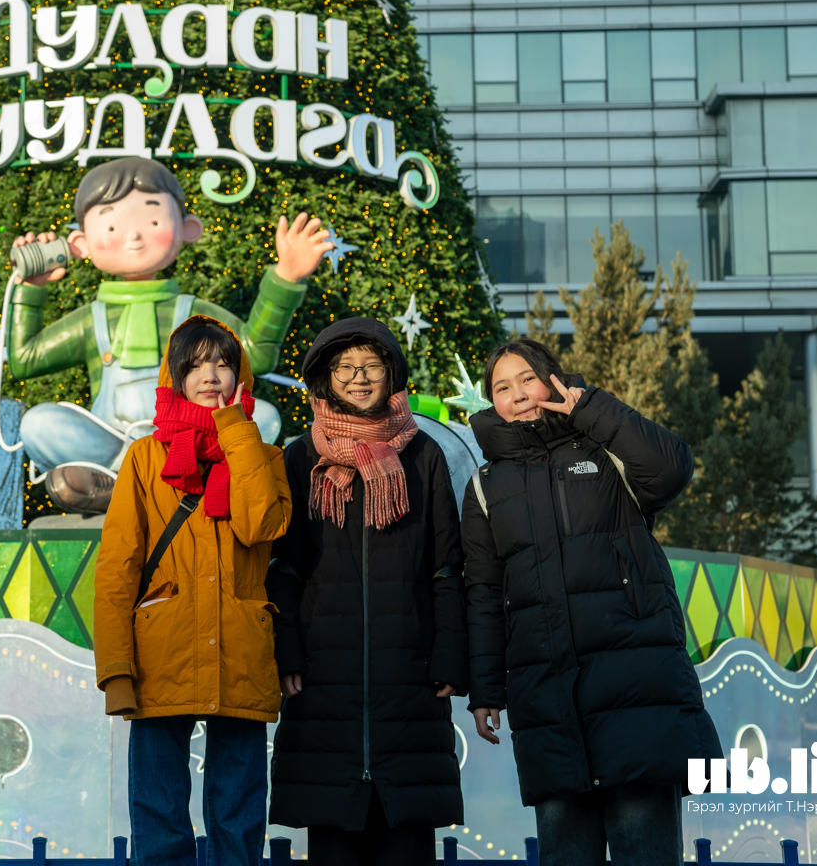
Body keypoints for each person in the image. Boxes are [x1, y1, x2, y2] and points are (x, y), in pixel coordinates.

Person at [462, 337, 722, 866]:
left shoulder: (605, 450)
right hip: (547, 696)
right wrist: (485, 687)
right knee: (566, 851)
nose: (518, 395)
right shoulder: (485, 486)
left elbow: (671, 470)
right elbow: (485, 591)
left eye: (528, 379)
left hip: (637, 686)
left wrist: (591, 409)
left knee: (644, 851)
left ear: (554, 380)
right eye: (502, 388)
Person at [7, 156, 331, 514]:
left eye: (153, 221)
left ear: (188, 228)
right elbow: (24, 361)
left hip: (188, 443)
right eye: (111, 226)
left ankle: (144, 486)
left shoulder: (194, 314)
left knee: (263, 417)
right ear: (80, 243)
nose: (133, 236)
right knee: (38, 423)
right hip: (112, 445)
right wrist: (30, 288)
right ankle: (142, 482)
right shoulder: (90, 319)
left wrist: (284, 279)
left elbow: (255, 355)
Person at [266, 318, 468, 866]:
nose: (359, 377)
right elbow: (284, 568)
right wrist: (286, 651)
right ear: (325, 377)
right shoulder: (301, 457)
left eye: (372, 365)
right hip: (322, 681)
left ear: (391, 373)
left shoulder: (423, 454)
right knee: (334, 838)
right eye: (345, 367)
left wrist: (449, 655)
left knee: (406, 841)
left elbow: (446, 567)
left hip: (409, 679)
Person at [93, 314, 291, 866]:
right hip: (162, 653)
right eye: (197, 364)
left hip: (240, 653)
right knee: (159, 819)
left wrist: (235, 431)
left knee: (238, 819)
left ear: (240, 377)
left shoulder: (265, 458)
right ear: (175, 376)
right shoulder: (145, 458)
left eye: (224, 363)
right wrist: (116, 669)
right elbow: (117, 568)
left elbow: (262, 526)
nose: (210, 375)